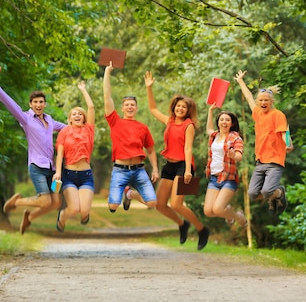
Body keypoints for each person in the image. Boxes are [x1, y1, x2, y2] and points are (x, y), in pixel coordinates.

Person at [144, 71, 210, 250]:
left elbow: (188, 148)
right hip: (169, 165)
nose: (180, 109)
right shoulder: (169, 122)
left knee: (176, 204)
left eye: (184, 107)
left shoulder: (189, 126)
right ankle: (182, 225)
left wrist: (188, 170)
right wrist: (149, 88)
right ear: (174, 107)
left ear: (188, 111)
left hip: (183, 166)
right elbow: (152, 109)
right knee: (159, 204)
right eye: (178, 106)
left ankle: (202, 229)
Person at [0, 75, 65, 234]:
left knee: (56, 202)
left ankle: (29, 218)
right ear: (30, 104)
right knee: (45, 201)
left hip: (51, 170)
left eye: (41, 102)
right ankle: (17, 201)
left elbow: (66, 128)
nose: (38, 105)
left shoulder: (50, 120)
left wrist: (82, 125)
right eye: (35, 102)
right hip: (37, 167)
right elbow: (11, 105)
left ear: (45, 104)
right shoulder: (26, 119)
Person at [103, 62, 160, 217]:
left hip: (139, 170)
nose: (129, 107)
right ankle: (121, 196)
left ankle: (130, 194)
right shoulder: (115, 121)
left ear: (136, 108)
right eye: (127, 105)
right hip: (120, 170)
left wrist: (155, 169)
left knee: (153, 203)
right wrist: (107, 72)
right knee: (113, 205)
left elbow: (151, 150)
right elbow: (107, 96)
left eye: (132, 105)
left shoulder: (143, 127)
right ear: (122, 108)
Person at [234, 70, 294, 215]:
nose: (263, 102)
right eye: (260, 100)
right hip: (260, 160)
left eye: (266, 100)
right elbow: (248, 97)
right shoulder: (258, 113)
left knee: (267, 190)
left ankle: (278, 193)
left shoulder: (277, 115)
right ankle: (273, 197)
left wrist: (289, 143)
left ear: (271, 101)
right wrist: (240, 81)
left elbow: (285, 131)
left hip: (275, 159)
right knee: (252, 194)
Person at [53, 81, 95, 232]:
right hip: (69, 174)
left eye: (80, 114)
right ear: (70, 119)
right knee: (74, 209)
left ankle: (84, 215)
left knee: (84, 212)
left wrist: (83, 89)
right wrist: (58, 172)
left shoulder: (88, 130)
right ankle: (62, 217)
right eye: (74, 114)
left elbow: (91, 107)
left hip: (86, 175)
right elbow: (60, 155)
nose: (77, 116)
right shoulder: (64, 132)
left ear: (84, 119)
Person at [203, 104, 248, 227]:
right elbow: (208, 129)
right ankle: (227, 211)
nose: (224, 122)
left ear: (232, 124)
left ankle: (240, 217)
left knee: (217, 209)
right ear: (218, 123)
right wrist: (210, 111)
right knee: (208, 211)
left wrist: (234, 155)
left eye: (227, 120)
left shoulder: (235, 137)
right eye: (222, 119)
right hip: (214, 178)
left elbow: (239, 155)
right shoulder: (214, 136)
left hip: (228, 178)